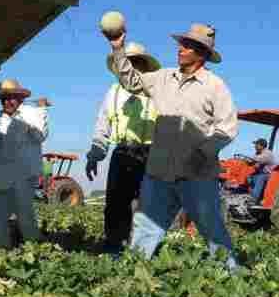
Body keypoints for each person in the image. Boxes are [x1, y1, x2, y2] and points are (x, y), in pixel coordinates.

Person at [106, 23, 239, 270]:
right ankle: (132, 278)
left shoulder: (215, 86)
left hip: (196, 175)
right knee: (146, 227)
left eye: (187, 46)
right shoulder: (163, 78)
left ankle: (233, 276)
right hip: (158, 172)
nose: (180, 48)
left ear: (202, 54)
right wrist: (118, 48)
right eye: (181, 43)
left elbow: (228, 127)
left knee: (211, 228)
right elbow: (131, 81)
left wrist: (204, 152)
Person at [86, 42, 160, 254]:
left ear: (143, 66)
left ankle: (144, 252)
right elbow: (103, 125)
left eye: (135, 62)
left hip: (150, 153)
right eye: (127, 62)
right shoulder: (113, 92)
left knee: (148, 206)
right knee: (116, 204)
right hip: (122, 152)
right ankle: (113, 248)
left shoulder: (154, 92)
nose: (131, 67)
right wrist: (95, 155)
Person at [0, 79, 49, 248]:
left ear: (20, 98)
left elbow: (41, 136)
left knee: (25, 216)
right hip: (1, 174)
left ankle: (35, 248)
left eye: (11, 98)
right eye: (4, 99)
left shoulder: (32, 113)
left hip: (24, 176)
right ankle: (2, 250)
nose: (7, 102)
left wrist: (42, 110)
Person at [247, 138, 276, 205]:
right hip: (260, 173)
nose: (255, 146)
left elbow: (259, 160)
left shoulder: (267, 153)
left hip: (269, 174)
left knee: (260, 177)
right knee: (248, 176)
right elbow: (254, 164)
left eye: (257, 145)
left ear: (262, 146)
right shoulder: (257, 153)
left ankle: (253, 199)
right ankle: (246, 194)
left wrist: (250, 161)